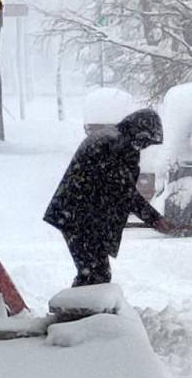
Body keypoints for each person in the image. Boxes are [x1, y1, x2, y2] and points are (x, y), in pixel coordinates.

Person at [44, 108, 177, 287]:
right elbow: (123, 191)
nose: (145, 146)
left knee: (93, 273)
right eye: (146, 141)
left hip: (76, 215)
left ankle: (82, 310)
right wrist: (154, 219)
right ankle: (80, 311)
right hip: (80, 218)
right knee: (95, 274)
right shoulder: (115, 144)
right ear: (139, 132)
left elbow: (119, 189)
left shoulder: (113, 139)